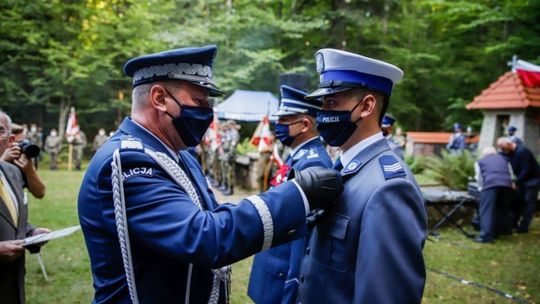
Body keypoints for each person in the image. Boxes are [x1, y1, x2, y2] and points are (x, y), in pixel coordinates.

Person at [77, 45, 343, 304]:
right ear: (159, 98)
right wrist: (297, 194)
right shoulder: (128, 160)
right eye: (199, 100)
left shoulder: (178, 154)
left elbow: (211, 214)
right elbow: (204, 237)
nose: (207, 110)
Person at [297, 48, 427, 303]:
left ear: (367, 106)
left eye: (331, 102)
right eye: (322, 103)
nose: (321, 112)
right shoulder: (344, 166)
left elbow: (384, 295)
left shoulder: (389, 188)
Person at [248, 85, 332, 304]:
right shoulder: (298, 156)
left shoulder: (313, 163)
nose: (278, 126)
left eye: (285, 121)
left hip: (283, 270)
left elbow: (302, 233)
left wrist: (292, 284)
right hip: (274, 261)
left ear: (304, 124)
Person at [0, 111, 49, 304]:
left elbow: (12, 218)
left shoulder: (12, 172)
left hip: (12, 286)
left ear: (10, 139)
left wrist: (31, 233)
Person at [497, 137, 540, 233]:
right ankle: (513, 224)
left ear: (509, 144)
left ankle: (524, 227)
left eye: (503, 148)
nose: (503, 150)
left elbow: (526, 170)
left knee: (529, 202)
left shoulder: (523, 152)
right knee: (517, 201)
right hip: (523, 180)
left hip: (532, 180)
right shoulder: (511, 152)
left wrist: (516, 182)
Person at [473, 146, 513, 243]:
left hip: (490, 185)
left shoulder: (480, 162)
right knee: (500, 210)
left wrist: (480, 190)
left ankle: (486, 236)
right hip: (506, 186)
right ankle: (496, 232)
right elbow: (510, 174)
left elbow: (479, 178)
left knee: (486, 210)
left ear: (484, 154)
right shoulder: (505, 160)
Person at [1, 124, 46, 199]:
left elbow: (40, 193)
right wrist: (2, 163)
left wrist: (30, 170)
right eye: (17, 143)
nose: (21, 147)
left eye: (23, 142)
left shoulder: (23, 159)